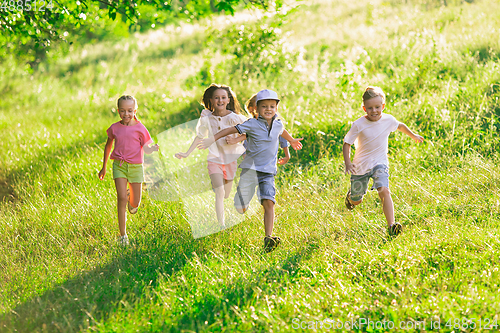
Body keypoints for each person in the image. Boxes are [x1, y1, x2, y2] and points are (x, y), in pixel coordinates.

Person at [199, 89, 303, 252]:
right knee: (241, 207)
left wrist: (291, 142)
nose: (268, 110)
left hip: (268, 172)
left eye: (271, 106)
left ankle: (268, 238)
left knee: (269, 202)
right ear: (257, 108)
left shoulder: (278, 123)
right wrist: (213, 138)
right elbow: (230, 130)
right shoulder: (251, 124)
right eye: (264, 107)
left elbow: (282, 131)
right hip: (250, 170)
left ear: (276, 108)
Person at [343, 86, 424, 236]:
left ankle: (391, 226)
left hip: (380, 162)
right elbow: (347, 143)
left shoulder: (388, 120)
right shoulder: (358, 124)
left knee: (384, 190)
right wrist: (348, 163)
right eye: (370, 108)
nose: (374, 111)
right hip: (361, 166)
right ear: (364, 108)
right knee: (357, 200)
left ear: (383, 106)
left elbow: (400, 126)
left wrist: (413, 136)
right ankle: (351, 197)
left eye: (377, 107)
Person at [175, 84, 247, 227]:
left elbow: (248, 133)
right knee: (220, 192)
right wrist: (187, 153)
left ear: (228, 100)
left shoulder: (235, 118)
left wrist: (235, 140)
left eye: (223, 98)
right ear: (211, 101)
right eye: (216, 98)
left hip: (230, 159)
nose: (220, 101)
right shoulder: (207, 118)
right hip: (214, 159)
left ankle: (223, 188)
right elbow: (199, 136)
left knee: (226, 193)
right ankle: (222, 224)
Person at [99, 95, 159, 246]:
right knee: (121, 199)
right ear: (118, 111)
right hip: (119, 166)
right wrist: (104, 166)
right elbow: (108, 146)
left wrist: (152, 148)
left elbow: (146, 148)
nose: (126, 114)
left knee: (134, 204)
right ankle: (122, 235)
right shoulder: (115, 128)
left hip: (136, 167)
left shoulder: (140, 128)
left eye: (130, 111)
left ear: (135, 110)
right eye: (123, 111)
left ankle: (130, 198)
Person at [226, 93, 291, 165]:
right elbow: (245, 145)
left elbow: (283, 138)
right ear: (253, 109)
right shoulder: (251, 125)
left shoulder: (275, 125)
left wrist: (287, 155)